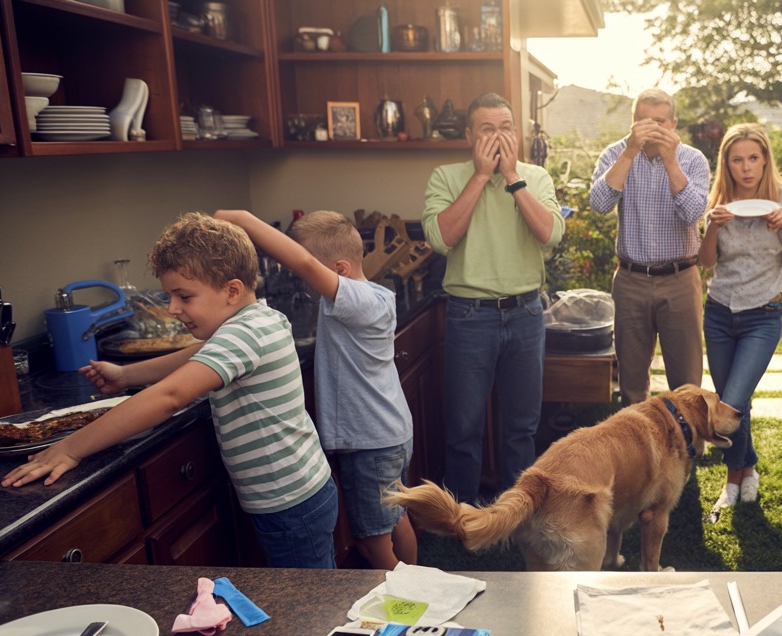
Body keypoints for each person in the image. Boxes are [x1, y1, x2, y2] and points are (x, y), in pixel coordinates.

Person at [3, 213, 339, 569]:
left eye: (184, 296)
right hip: (301, 490)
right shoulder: (260, 319)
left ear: (232, 290)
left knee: (311, 603)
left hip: (289, 505)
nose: (172, 308)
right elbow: (195, 356)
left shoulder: (243, 335)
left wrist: (71, 448)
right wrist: (126, 375)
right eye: (170, 296)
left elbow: (170, 397)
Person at [214, 209, 418, 570]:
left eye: (307, 275)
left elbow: (306, 263)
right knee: (395, 516)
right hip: (389, 431)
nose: (301, 280)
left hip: (371, 442)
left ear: (338, 270)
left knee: (372, 537)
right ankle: (417, 581)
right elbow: (309, 263)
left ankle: (404, 603)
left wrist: (245, 219)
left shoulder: (358, 302)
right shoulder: (376, 294)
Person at [422, 92, 564, 505]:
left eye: (505, 128)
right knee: (464, 426)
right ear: (469, 135)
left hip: (525, 313)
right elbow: (442, 238)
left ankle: (514, 513)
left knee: (521, 425)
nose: (498, 136)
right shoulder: (446, 177)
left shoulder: (535, 177)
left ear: (516, 133)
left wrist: (513, 179)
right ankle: (462, 515)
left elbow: (550, 235)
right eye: (487, 129)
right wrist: (482, 176)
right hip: (470, 315)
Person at [698, 123, 782, 514]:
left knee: (731, 402)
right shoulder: (720, 201)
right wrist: (712, 226)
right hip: (719, 313)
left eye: (753, 158)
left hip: (763, 314)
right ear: (727, 164)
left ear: (765, 160)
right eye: (737, 159)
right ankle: (749, 468)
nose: (746, 168)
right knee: (735, 404)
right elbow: (706, 262)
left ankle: (732, 480)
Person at [590, 89, 710, 405]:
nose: (652, 128)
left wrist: (670, 160)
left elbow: (692, 213)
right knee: (631, 379)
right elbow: (599, 204)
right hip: (630, 280)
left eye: (659, 121)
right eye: (644, 120)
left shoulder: (693, 159)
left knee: (686, 381)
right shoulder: (615, 154)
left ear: (673, 123)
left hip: (680, 279)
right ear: (632, 123)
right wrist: (629, 153)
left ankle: (688, 449)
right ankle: (638, 450)